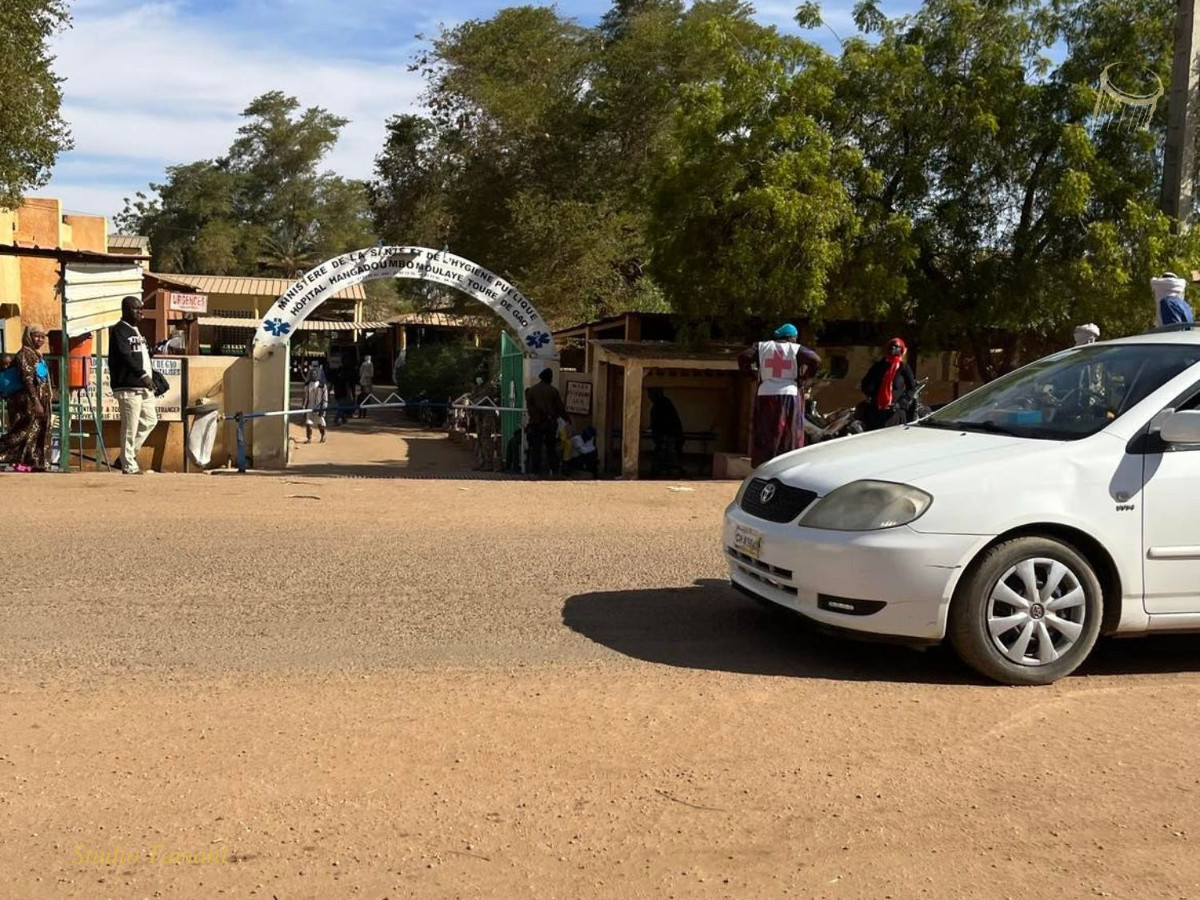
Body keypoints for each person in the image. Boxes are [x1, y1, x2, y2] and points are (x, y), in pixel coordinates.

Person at [738, 324, 822, 468]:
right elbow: (816, 360)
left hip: (765, 394)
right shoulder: (795, 349)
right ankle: (787, 464)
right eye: (795, 337)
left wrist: (750, 375)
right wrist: (804, 377)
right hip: (789, 394)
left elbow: (743, 357)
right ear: (790, 337)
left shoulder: (761, 347)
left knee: (765, 431)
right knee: (788, 432)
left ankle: (763, 464)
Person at [110, 296, 159, 475]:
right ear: (126, 310)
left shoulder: (137, 331)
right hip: (128, 386)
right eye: (136, 308)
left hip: (144, 386)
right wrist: (143, 375)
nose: (140, 312)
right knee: (130, 427)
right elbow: (125, 355)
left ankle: (125, 456)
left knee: (150, 420)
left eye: (141, 309)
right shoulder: (119, 330)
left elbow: (141, 356)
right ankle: (129, 465)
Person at [0, 325, 53, 471]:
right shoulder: (24, 354)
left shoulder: (37, 355)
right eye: (36, 336)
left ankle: (35, 462)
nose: (40, 339)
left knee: (36, 432)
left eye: (42, 337)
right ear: (29, 337)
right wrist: (36, 401)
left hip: (40, 401)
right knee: (21, 432)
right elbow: (27, 380)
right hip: (28, 402)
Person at [860, 337, 917, 431]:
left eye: (897, 347)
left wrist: (901, 403)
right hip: (876, 412)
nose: (894, 349)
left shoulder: (904, 368)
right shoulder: (879, 366)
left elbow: (911, 388)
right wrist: (872, 395)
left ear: (901, 350)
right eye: (892, 346)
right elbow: (865, 383)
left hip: (895, 414)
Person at [524, 368, 567, 476]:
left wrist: (535, 416)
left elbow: (529, 406)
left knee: (536, 448)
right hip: (550, 423)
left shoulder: (532, 390)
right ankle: (553, 470)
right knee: (551, 447)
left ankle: (536, 470)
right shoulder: (553, 391)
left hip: (535, 423)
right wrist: (566, 418)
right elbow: (560, 407)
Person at [648, 387, 685, 477]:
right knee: (664, 453)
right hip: (668, 435)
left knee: (668, 454)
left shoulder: (662, 404)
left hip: (669, 435)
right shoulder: (661, 404)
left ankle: (671, 473)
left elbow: (662, 421)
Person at [303, 362, 328, 444]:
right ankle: (309, 438)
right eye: (312, 374)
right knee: (308, 423)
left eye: (315, 374)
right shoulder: (307, 385)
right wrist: (304, 407)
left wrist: (323, 408)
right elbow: (305, 397)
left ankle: (323, 435)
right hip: (309, 406)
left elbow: (325, 399)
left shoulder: (322, 386)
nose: (314, 375)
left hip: (319, 407)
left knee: (320, 423)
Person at [357, 354, 374, 419]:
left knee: (363, 391)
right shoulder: (370, 364)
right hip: (368, 379)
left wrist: (361, 376)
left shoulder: (363, 364)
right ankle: (368, 400)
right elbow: (372, 372)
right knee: (368, 391)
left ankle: (364, 400)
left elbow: (360, 371)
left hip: (363, 379)